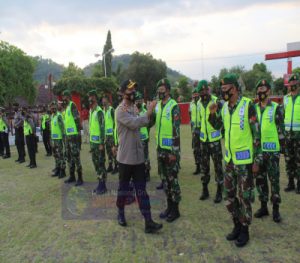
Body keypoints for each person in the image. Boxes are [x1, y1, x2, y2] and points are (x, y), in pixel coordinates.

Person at [208, 73, 261, 247]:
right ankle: (237, 225)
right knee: (229, 196)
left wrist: (257, 160)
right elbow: (219, 128)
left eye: (226, 89)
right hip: (229, 160)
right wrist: (213, 115)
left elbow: (256, 134)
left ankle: (245, 230)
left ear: (235, 89)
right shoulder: (224, 108)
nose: (223, 92)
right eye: (221, 89)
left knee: (244, 196)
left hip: (245, 162)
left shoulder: (248, 106)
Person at [115, 79, 162, 234]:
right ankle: (120, 213)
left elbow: (144, 123)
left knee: (142, 191)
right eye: (130, 90)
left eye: (134, 90)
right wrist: (148, 112)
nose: (133, 93)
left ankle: (148, 222)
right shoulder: (119, 111)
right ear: (123, 93)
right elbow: (135, 123)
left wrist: (150, 113)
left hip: (138, 158)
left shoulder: (134, 107)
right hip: (125, 159)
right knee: (123, 189)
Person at [151, 78, 182, 223]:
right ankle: (169, 207)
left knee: (173, 180)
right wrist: (148, 111)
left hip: (171, 152)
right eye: (158, 90)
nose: (160, 93)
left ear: (168, 91)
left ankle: (175, 210)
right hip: (160, 149)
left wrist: (173, 153)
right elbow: (151, 123)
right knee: (164, 180)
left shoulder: (174, 106)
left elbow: (176, 131)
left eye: (162, 90)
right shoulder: (157, 106)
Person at [253, 79, 284, 223]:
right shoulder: (253, 108)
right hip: (258, 152)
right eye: (258, 89)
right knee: (260, 180)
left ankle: (276, 209)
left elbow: (281, 130)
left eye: (263, 88)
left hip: (272, 151)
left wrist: (282, 149)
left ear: (269, 91)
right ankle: (264, 207)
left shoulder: (276, 108)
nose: (261, 91)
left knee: (274, 181)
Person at [197, 80, 224, 203]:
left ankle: (219, 191)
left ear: (208, 89)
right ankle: (205, 189)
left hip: (214, 140)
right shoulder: (198, 103)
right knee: (204, 167)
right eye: (201, 91)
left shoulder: (216, 101)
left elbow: (220, 123)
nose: (204, 92)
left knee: (218, 166)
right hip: (203, 140)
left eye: (205, 90)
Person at [283, 73, 300, 193]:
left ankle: (299, 183)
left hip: (299, 134)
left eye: (295, 84)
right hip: (288, 134)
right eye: (291, 84)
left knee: (299, 160)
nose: (292, 86)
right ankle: (290, 183)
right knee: (289, 159)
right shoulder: (286, 98)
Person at [62, 90, 83, 186]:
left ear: (68, 96)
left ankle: (80, 178)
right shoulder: (65, 108)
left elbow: (77, 120)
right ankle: (72, 176)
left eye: (64, 96)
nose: (63, 98)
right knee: (69, 157)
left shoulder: (72, 105)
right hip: (67, 137)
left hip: (74, 136)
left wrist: (78, 135)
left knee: (76, 156)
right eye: (62, 97)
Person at [88, 90, 107, 194]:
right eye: (89, 97)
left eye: (91, 97)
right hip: (93, 143)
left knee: (100, 164)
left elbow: (102, 128)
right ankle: (100, 183)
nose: (90, 99)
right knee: (96, 164)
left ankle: (103, 186)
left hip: (98, 143)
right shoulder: (91, 111)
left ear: (95, 98)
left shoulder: (99, 111)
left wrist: (101, 143)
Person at [135, 91, 151, 181]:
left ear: (142, 101)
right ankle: (140, 173)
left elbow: (147, 124)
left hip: (144, 137)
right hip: (136, 138)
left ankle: (147, 172)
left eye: (139, 100)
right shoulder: (133, 112)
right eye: (136, 101)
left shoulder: (145, 112)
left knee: (145, 156)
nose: (138, 102)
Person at [50, 101, 66, 179]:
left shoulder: (59, 116)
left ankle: (63, 171)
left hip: (59, 139)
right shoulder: (52, 116)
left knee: (60, 155)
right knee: (56, 155)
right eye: (51, 107)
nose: (52, 109)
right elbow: (52, 128)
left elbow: (62, 128)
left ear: (56, 107)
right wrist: (51, 139)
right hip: (54, 139)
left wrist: (64, 140)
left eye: (53, 107)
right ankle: (58, 168)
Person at [102, 96, 117, 173]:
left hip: (112, 134)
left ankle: (116, 166)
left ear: (107, 101)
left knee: (113, 150)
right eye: (102, 100)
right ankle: (110, 165)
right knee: (108, 151)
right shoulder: (103, 110)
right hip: (106, 135)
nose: (103, 101)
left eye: (104, 100)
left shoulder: (111, 110)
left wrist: (115, 133)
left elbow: (115, 122)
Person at [189, 86, 201, 175]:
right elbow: (190, 115)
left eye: (196, 94)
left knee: (203, 149)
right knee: (196, 149)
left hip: (202, 129)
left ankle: (204, 166)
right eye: (193, 94)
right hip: (195, 130)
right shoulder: (191, 104)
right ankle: (198, 167)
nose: (195, 96)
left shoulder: (202, 103)